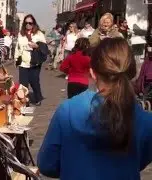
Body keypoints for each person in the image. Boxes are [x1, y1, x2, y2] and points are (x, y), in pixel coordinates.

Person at [37, 38, 152, 180]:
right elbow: (139, 161)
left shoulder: (67, 111)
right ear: (132, 72)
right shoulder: (146, 121)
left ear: (92, 73)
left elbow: (47, 164)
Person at [15, 14, 47, 106]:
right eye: (26, 23)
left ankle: (38, 97)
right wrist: (16, 59)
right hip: (23, 62)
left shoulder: (39, 34)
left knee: (34, 81)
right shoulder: (21, 34)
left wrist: (36, 46)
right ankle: (25, 102)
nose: (28, 25)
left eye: (30, 23)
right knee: (23, 83)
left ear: (34, 24)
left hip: (34, 62)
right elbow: (18, 47)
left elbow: (44, 47)